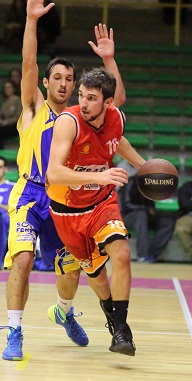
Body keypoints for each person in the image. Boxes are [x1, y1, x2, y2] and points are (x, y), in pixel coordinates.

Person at [1, 0, 126, 362]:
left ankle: (64, 312)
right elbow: (27, 61)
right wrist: (29, 20)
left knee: (71, 272)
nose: (64, 83)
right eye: (57, 77)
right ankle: (15, 332)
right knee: (22, 260)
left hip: (64, 201)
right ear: (45, 81)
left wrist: (108, 60)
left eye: (69, 79)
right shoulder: (33, 107)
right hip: (29, 194)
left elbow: (115, 99)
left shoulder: (80, 117)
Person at [46, 67, 147, 356]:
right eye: (82, 96)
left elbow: (118, 142)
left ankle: (122, 329)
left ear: (108, 103)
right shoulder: (69, 122)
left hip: (102, 202)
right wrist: (98, 177)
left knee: (122, 254)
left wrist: (143, 165)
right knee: (98, 276)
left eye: (92, 98)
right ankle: (112, 319)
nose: (84, 103)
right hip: (68, 211)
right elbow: (54, 173)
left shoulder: (117, 118)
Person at [117, 160, 176, 263]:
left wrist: (151, 210)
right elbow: (126, 205)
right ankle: (142, 255)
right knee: (141, 215)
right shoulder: (128, 183)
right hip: (127, 216)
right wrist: (146, 209)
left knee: (167, 221)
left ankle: (153, 252)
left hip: (146, 215)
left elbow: (151, 204)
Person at [0, 156, 15, 269]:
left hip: (5, 220)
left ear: (5, 169)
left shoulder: (12, 187)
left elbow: (13, 208)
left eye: (0, 167)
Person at [0, 80, 22, 148]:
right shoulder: (4, 101)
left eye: (9, 87)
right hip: (4, 125)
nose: (7, 90)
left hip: (15, 125)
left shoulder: (17, 100)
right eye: (6, 88)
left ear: (14, 89)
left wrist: (6, 122)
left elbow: (19, 116)